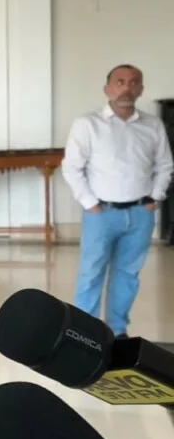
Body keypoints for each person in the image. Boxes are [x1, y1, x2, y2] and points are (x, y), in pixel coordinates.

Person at [61, 64, 173, 338]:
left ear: (141, 89)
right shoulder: (88, 124)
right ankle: (85, 334)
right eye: (120, 82)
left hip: (140, 213)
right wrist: (90, 203)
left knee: (128, 275)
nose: (126, 88)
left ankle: (117, 330)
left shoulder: (153, 125)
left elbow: (165, 165)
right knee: (91, 274)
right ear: (107, 88)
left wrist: (154, 198)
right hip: (101, 213)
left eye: (133, 82)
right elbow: (72, 167)